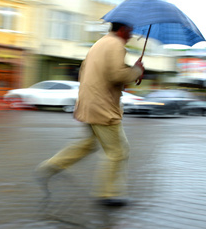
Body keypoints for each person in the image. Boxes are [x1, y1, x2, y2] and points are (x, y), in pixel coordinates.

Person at [35, 22, 144, 207]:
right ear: (121, 29)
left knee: (87, 144)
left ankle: (50, 166)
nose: (131, 35)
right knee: (118, 150)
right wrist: (136, 70)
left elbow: (104, 74)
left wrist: (131, 72)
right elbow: (116, 75)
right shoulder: (116, 45)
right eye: (130, 31)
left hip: (90, 103)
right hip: (103, 107)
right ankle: (108, 194)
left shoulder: (100, 43)